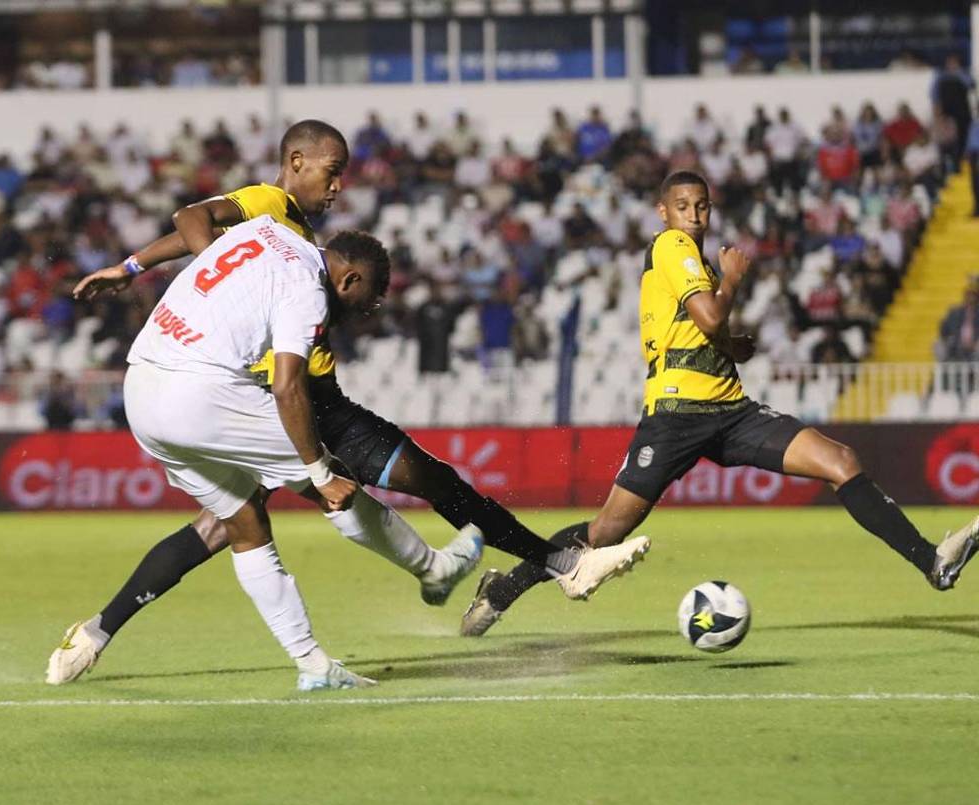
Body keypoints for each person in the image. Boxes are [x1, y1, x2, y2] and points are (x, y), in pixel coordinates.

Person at [50, 120, 647, 682]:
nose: (338, 187)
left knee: (229, 525)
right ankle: (547, 567)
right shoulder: (271, 207)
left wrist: (133, 264)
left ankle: (99, 631)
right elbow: (192, 218)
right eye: (330, 172)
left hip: (274, 399)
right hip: (295, 403)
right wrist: (208, 283)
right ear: (296, 163)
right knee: (417, 485)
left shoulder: (295, 241)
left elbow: (201, 240)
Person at [460, 170, 979, 637]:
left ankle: (932, 562)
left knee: (841, 462)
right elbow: (709, 318)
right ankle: (501, 592)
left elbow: (699, 330)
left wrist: (732, 346)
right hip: (676, 416)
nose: (694, 214)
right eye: (683, 205)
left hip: (731, 410)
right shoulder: (671, 247)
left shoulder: (694, 261)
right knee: (603, 534)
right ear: (663, 212)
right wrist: (732, 281)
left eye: (702, 205)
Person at [71, 219, 386, 691]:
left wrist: (132, 265)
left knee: (242, 522)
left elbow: (194, 220)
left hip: (142, 386)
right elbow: (287, 386)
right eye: (372, 297)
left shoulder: (262, 226)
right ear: (350, 280)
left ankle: (314, 665)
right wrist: (317, 471)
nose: (369, 310)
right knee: (330, 483)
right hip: (200, 391)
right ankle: (433, 567)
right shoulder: (307, 285)